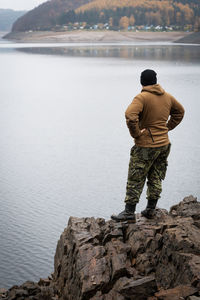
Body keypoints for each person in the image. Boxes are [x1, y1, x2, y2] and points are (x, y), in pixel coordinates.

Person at [111, 69, 185, 222]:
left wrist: (136, 134)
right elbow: (180, 112)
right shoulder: (168, 96)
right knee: (156, 175)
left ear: (142, 81)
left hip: (145, 146)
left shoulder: (141, 97)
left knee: (135, 177)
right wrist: (167, 127)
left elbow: (130, 116)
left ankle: (129, 213)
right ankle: (151, 209)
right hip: (164, 144)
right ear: (155, 80)